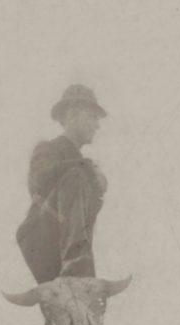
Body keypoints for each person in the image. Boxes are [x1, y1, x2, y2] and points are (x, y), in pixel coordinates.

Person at [19, 85, 109, 309]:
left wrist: (98, 188)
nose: (97, 125)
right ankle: (76, 266)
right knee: (76, 176)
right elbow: (40, 179)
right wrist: (86, 167)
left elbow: (84, 218)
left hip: (66, 242)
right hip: (41, 237)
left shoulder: (83, 169)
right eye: (92, 117)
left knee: (67, 308)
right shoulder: (48, 149)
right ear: (71, 115)